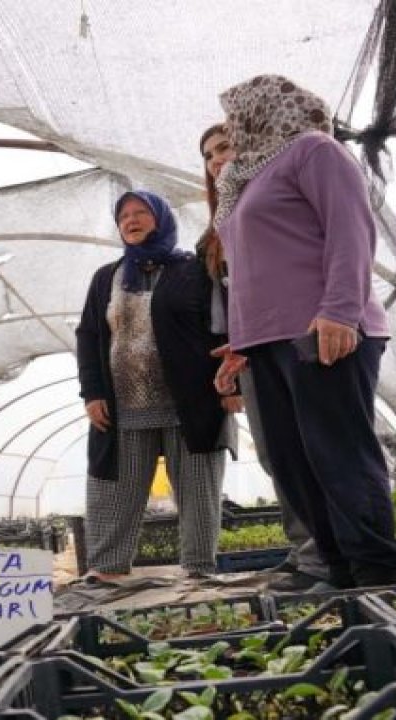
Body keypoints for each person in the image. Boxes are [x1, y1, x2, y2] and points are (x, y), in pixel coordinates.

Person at [212, 75, 396, 588]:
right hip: (266, 338)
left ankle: (376, 570)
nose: (232, 124)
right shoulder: (245, 176)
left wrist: (341, 311)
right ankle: (337, 571)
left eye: (237, 112)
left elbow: (351, 229)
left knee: (337, 453)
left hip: (322, 327)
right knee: (294, 464)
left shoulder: (314, 152)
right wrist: (242, 337)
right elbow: (255, 267)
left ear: (267, 108)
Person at [77, 190, 235, 581]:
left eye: (140, 212)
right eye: (124, 215)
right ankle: (108, 568)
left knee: (199, 487)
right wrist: (93, 392)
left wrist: (233, 386)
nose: (131, 220)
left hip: (192, 402)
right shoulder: (106, 278)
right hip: (124, 405)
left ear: (161, 218)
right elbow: (89, 335)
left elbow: (221, 327)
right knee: (114, 488)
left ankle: (199, 568)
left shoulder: (194, 270)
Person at [198, 122, 329, 592]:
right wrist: (236, 348)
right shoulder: (220, 229)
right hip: (254, 347)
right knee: (278, 454)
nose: (216, 160)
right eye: (209, 156)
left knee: (315, 449)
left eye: (224, 148)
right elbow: (235, 296)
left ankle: (328, 557)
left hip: (299, 336)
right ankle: (304, 553)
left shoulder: (279, 201)